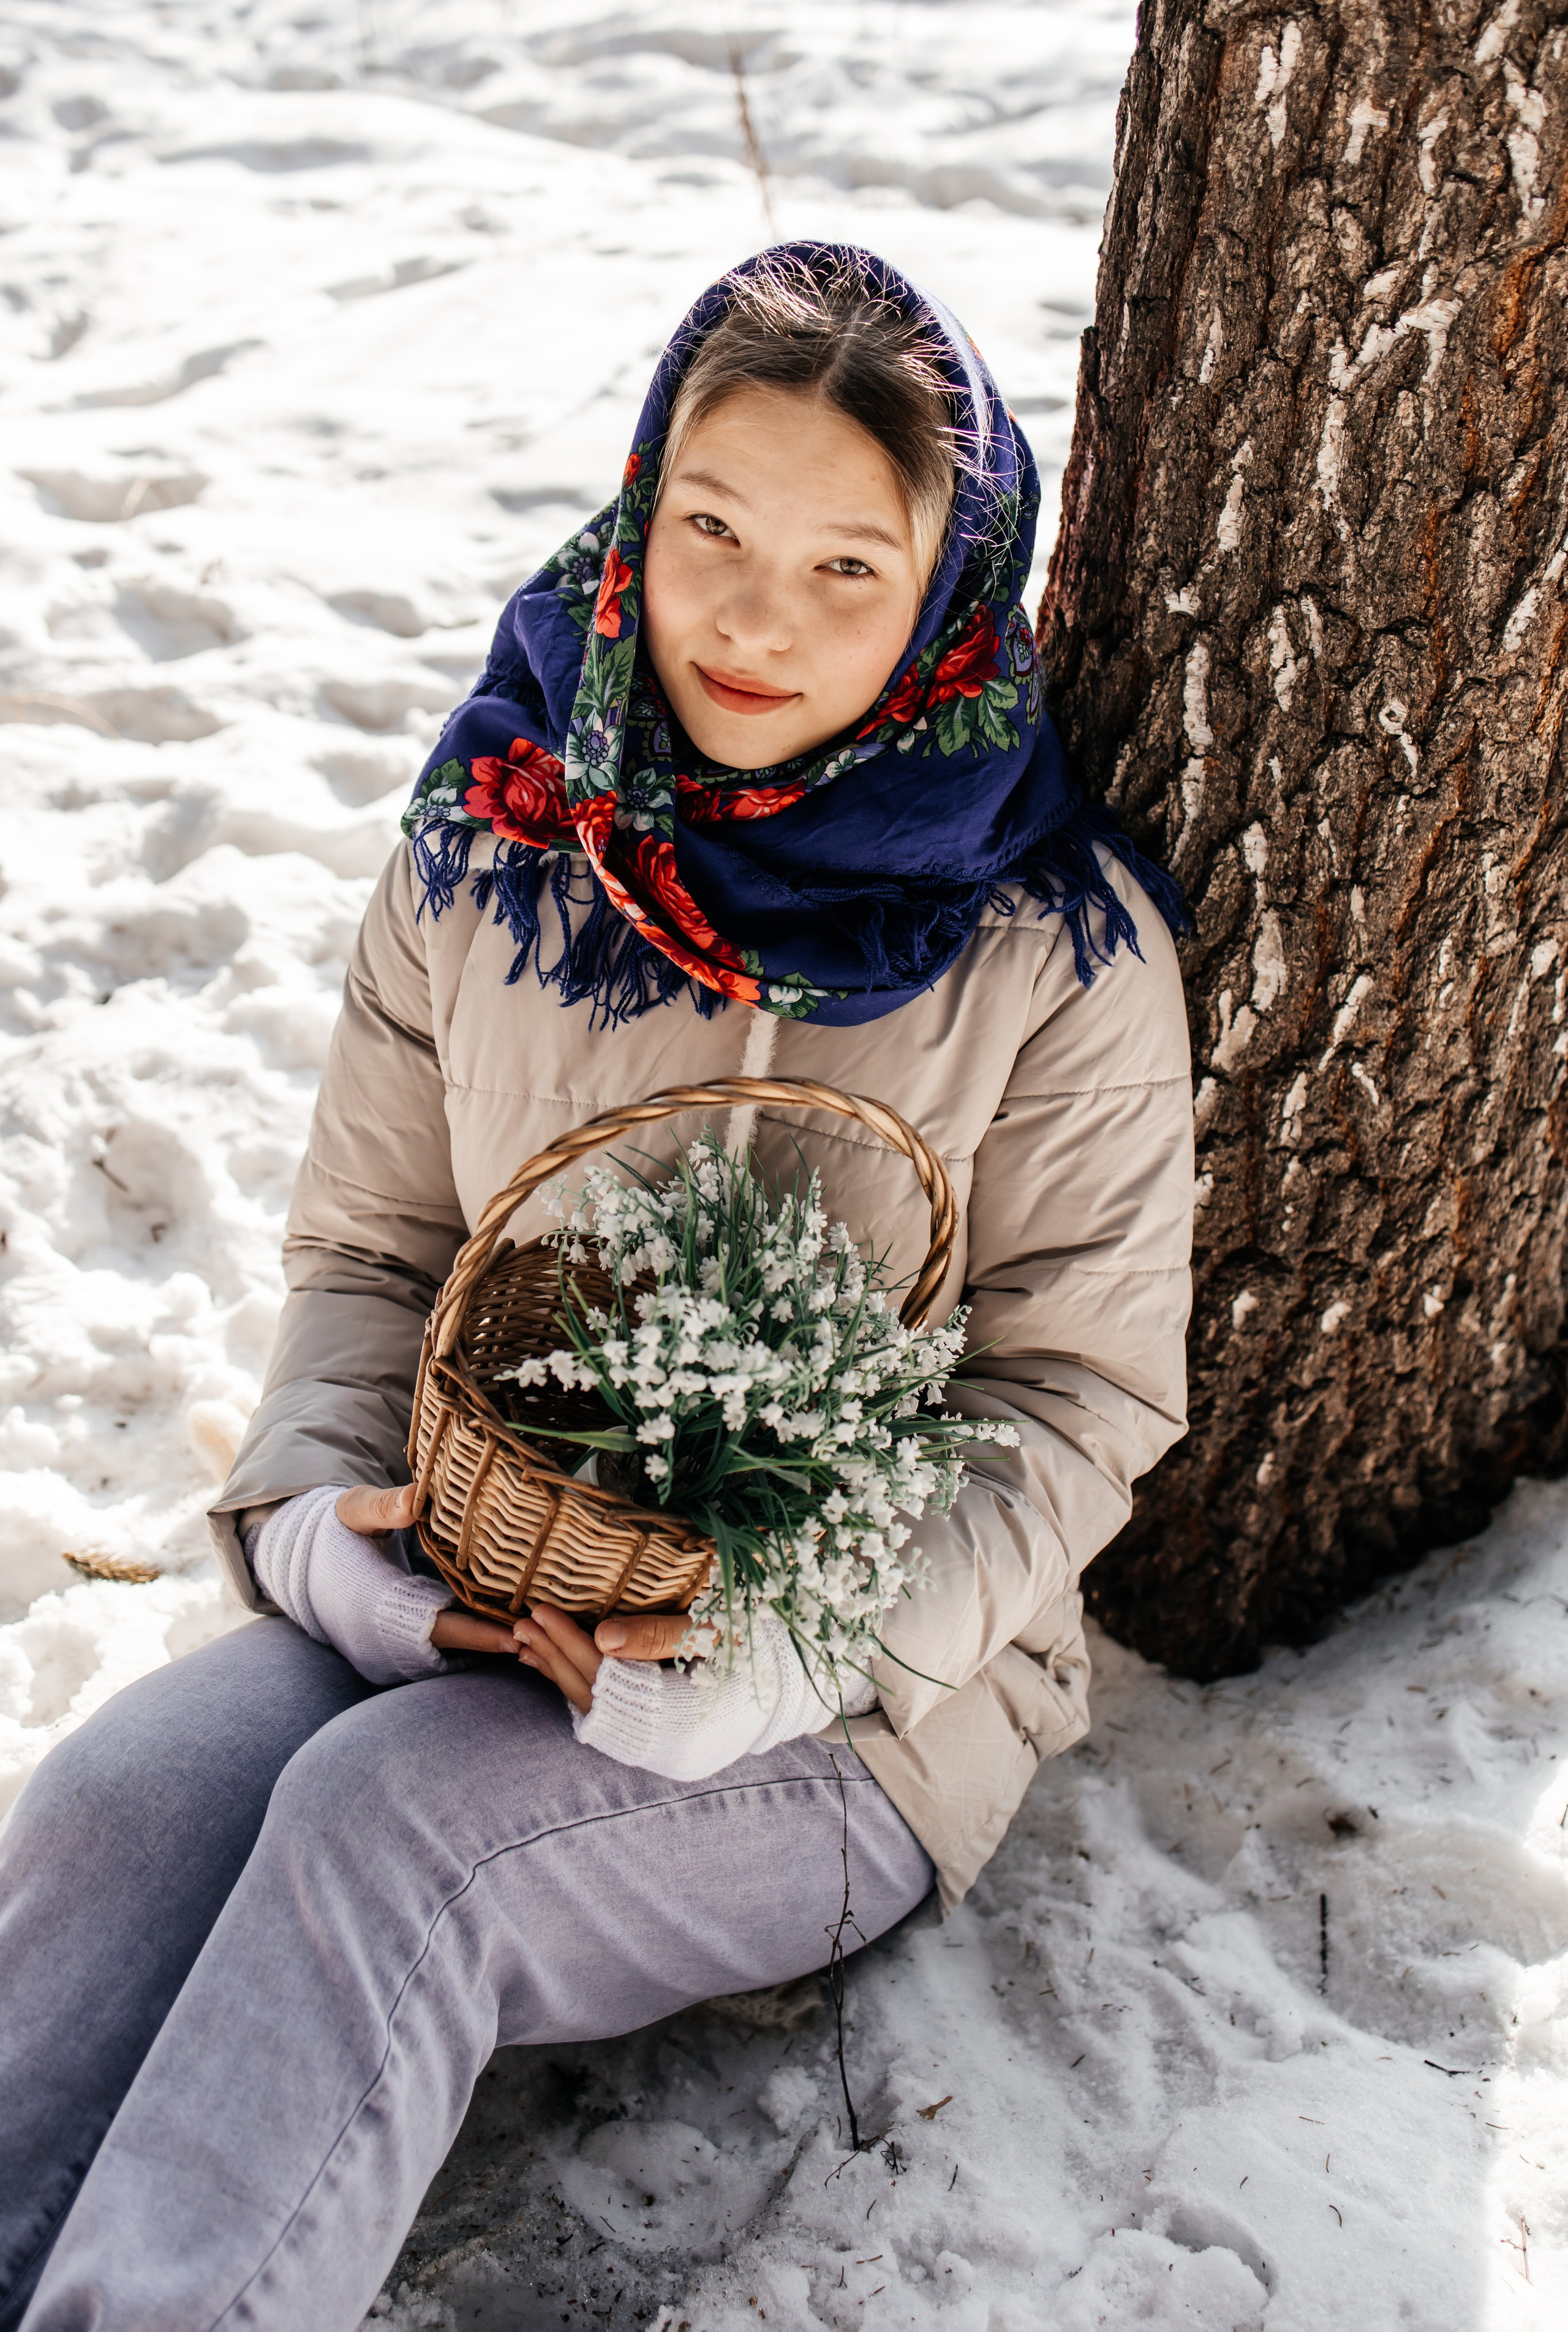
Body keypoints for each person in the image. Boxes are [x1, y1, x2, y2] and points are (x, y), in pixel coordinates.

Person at [0, 243, 1194, 2332]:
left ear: (949, 593)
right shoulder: (498, 838)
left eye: (849, 567)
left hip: (852, 1713)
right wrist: (314, 1540)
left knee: (391, 1833)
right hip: (465, 1576)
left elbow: (1077, 1399)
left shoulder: (1052, 946)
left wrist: (787, 1657)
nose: (754, 616)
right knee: (120, 1800)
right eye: (715, 529)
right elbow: (373, 1253)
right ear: (643, 505)